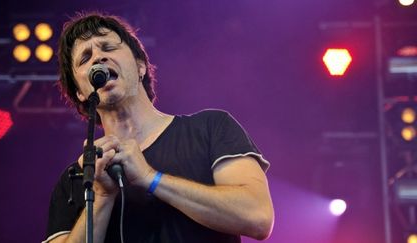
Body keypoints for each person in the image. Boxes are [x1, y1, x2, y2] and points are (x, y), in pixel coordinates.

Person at [43, 12, 274, 243]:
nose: (97, 58)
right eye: (85, 58)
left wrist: (150, 178)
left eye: (108, 47)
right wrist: (102, 195)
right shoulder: (76, 179)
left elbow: (258, 217)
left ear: (140, 65)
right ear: (80, 93)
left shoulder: (210, 128)